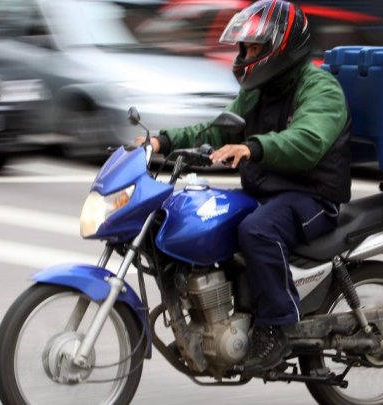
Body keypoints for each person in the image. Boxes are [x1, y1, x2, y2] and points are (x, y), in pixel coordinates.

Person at [135, 0, 351, 372]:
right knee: (196, 216)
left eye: (253, 48)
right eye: (244, 48)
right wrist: (161, 142)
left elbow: (308, 140)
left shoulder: (320, 89)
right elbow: (219, 127)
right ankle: (213, 314)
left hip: (312, 196)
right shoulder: (259, 89)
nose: (245, 56)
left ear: (279, 48)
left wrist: (253, 147)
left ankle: (279, 325)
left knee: (258, 230)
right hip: (266, 192)